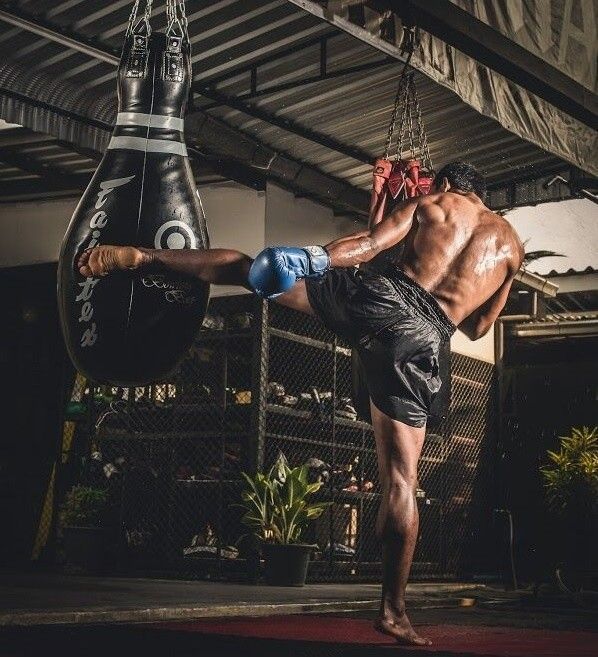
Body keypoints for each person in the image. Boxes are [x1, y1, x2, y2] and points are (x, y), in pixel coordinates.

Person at [78, 161, 524, 646]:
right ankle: (393, 611)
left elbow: (369, 245)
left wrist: (313, 256)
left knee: (250, 271)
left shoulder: (435, 203)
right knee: (401, 480)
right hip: (422, 337)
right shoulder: (513, 247)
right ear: (486, 197)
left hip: (378, 298)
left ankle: (144, 258)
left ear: (442, 184)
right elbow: (479, 329)